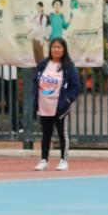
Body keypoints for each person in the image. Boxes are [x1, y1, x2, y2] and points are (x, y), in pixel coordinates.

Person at [33, 37, 80, 171]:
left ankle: (64, 160)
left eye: (59, 47)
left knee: (62, 134)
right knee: (45, 134)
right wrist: (36, 98)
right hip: (44, 105)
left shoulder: (69, 67)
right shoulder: (43, 64)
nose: (56, 49)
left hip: (60, 107)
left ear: (64, 50)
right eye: (54, 47)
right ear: (50, 49)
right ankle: (44, 160)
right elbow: (35, 80)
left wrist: (67, 101)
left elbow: (75, 87)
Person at [28, 1, 49, 65]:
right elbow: (30, 21)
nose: (38, 8)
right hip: (34, 37)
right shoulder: (35, 16)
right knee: (36, 55)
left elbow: (43, 29)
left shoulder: (44, 17)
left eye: (39, 7)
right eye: (37, 7)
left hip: (39, 39)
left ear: (42, 8)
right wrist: (31, 14)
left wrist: (42, 40)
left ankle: (43, 68)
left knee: (40, 55)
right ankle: (38, 67)